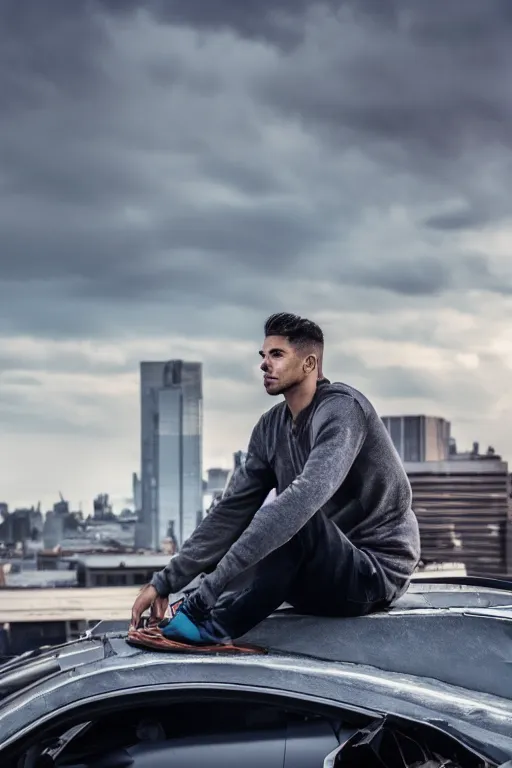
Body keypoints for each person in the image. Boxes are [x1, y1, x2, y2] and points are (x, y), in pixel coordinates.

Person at [130, 312, 421, 644]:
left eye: (277, 355)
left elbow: (299, 503)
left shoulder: (342, 411)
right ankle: (201, 611)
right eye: (263, 355)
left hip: (370, 576)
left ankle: (212, 627)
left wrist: (203, 597)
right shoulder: (270, 428)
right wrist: (165, 581)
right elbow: (229, 513)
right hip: (314, 577)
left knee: (295, 517)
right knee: (248, 532)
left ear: (309, 364)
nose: (264, 365)